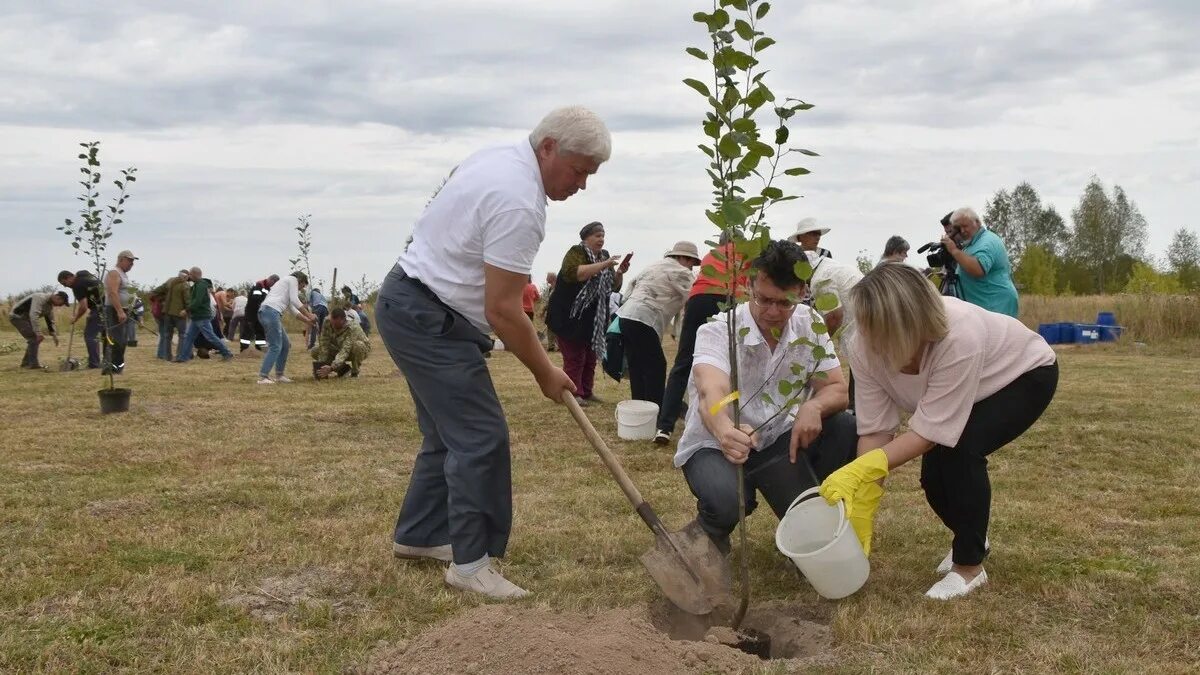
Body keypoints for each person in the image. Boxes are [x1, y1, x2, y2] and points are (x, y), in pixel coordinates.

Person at [378, 105, 610, 600]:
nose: (582, 186)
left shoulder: (498, 158)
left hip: (410, 302)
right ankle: (470, 563)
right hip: (427, 317)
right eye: (579, 171)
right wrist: (547, 371)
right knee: (481, 437)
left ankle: (419, 535)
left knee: (446, 433)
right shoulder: (518, 201)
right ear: (548, 147)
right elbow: (505, 310)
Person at [818, 263, 1057, 600]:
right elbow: (876, 430)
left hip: (1022, 375)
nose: (874, 345)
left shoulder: (959, 336)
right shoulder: (862, 345)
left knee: (961, 453)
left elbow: (930, 432)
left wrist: (858, 471)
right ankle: (973, 535)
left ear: (911, 325)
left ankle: (970, 567)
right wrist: (865, 497)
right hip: (966, 390)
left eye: (884, 336)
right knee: (932, 478)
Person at [675, 240, 857, 553]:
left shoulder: (810, 325)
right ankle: (713, 528)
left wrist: (814, 406)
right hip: (714, 442)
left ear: (802, 293)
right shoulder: (720, 331)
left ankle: (808, 509)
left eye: (784, 303)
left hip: (777, 440)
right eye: (764, 300)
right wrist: (725, 429)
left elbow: (837, 388)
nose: (772, 312)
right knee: (727, 501)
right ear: (748, 286)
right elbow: (711, 392)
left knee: (845, 428)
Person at [654, 235, 749, 445]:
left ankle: (664, 427)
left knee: (683, 362)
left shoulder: (711, 255)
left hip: (699, 299)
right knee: (730, 363)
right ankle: (725, 421)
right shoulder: (746, 254)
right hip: (727, 298)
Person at [545, 221, 629, 406]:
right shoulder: (576, 252)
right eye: (597, 235)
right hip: (568, 314)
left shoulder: (604, 256)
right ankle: (573, 394)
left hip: (591, 317)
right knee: (575, 356)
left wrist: (620, 272)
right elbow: (575, 274)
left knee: (590, 356)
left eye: (603, 236)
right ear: (586, 237)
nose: (601, 239)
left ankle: (586, 391)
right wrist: (604, 264)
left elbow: (611, 286)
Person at [616, 241, 700, 408]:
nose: (692, 267)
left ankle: (639, 405)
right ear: (683, 257)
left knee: (637, 365)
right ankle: (656, 408)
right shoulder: (682, 273)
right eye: (692, 262)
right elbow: (693, 298)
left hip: (625, 315)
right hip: (645, 319)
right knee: (656, 366)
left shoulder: (653, 266)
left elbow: (628, 293)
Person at [941, 207, 1019, 317]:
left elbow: (978, 269)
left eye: (965, 226)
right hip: (985, 306)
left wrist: (954, 250)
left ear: (977, 222)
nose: (962, 231)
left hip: (995, 306)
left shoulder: (987, 242)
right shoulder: (973, 242)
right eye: (959, 228)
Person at [257, 271, 316, 384]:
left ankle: (280, 375)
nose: (300, 289)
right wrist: (309, 314)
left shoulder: (283, 286)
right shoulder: (292, 280)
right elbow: (295, 300)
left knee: (285, 344)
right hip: (271, 312)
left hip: (267, 312)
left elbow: (294, 311)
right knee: (276, 346)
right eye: (302, 286)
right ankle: (263, 377)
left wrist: (308, 321)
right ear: (300, 280)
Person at [175, 267, 233, 362]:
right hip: (196, 316)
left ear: (194, 274)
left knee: (211, 336)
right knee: (189, 337)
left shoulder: (201, 285)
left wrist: (187, 310)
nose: (189, 276)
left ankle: (227, 353)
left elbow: (197, 301)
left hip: (202, 316)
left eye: (190, 274)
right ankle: (183, 357)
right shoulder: (198, 285)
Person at [804, 249, 863, 337]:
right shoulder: (829, 265)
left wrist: (823, 343)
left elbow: (834, 318)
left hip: (856, 326)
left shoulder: (819, 280)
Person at [101, 250, 139, 375]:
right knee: (116, 340)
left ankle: (117, 366)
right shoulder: (114, 273)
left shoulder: (123, 274)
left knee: (121, 340)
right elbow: (113, 293)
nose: (131, 264)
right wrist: (119, 311)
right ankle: (110, 367)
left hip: (122, 310)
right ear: (121, 259)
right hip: (114, 311)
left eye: (133, 261)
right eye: (129, 261)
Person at [9, 290, 68, 369]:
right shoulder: (39, 297)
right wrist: (38, 333)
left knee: (34, 339)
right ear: (57, 298)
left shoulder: (49, 305)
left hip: (26, 319)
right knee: (34, 338)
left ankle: (26, 363)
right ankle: (33, 364)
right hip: (17, 317)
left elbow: (50, 320)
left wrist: (54, 335)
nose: (60, 306)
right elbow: (33, 315)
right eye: (61, 303)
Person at [57, 269, 103, 368]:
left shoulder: (77, 286)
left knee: (90, 335)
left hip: (99, 307)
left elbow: (83, 307)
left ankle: (94, 364)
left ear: (69, 277)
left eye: (64, 283)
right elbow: (85, 271)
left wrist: (75, 318)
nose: (66, 286)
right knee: (105, 335)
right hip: (110, 304)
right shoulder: (84, 276)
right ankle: (108, 361)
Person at [311, 308, 371, 378]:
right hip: (338, 347)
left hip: (356, 350)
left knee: (358, 346)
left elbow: (345, 349)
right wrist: (321, 365)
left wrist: (332, 368)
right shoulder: (327, 321)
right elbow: (324, 343)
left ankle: (355, 372)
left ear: (343, 320)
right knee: (316, 350)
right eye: (332, 324)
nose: (333, 327)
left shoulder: (353, 327)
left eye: (336, 324)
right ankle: (343, 369)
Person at [149, 269, 190, 361]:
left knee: (167, 335)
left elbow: (155, 292)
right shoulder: (185, 285)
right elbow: (188, 301)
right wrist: (187, 310)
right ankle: (180, 356)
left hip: (167, 312)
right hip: (179, 314)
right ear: (186, 277)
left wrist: (163, 300)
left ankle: (167, 356)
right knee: (182, 335)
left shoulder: (169, 282)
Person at [240, 275, 277, 351]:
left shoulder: (268, 288)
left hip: (260, 313)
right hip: (251, 312)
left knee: (260, 330)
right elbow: (256, 298)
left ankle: (260, 348)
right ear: (271, 280)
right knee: (248, 330)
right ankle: (244, 349)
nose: (273, 285)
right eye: (274, 283)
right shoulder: (259, 285)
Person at [542, 271, 558, 351]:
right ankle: (551, 346)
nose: (546, 279)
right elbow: (548, 301)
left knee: (557, 328)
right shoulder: (550, 288)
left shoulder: (559, 287)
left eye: (547, 277)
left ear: (552, 278)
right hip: (550, 311)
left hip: (557, 311)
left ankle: (559, 346)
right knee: (550, 328)